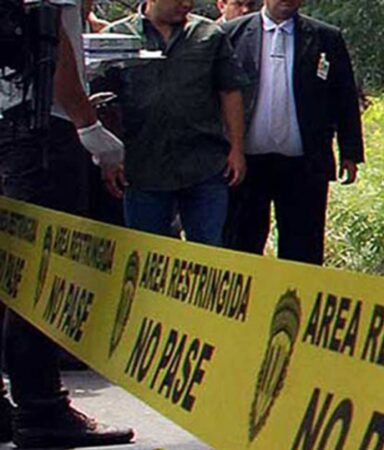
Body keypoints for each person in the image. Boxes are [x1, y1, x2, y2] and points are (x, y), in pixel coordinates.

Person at [0, 0, 134, 448]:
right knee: (41, 270)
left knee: (9, 269)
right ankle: (41, 406)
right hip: (39, 131)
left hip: (8, 120)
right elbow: (50, 43)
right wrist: (90, 127)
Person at [222, 0, 364, 265]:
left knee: (303, 251)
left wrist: (350, 151)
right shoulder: (232, 34)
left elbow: (344, 95)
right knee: (240, 247)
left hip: (304, 163)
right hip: (245, 165)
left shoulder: (325, 37)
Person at [101, 0, 247, 246]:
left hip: (204, 165)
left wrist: (237, 149)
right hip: (142, 168)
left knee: (208, 251)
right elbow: (103, 103)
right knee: (146, 251)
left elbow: (230, 91)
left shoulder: (210, 35)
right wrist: (109, 157)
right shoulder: (116, 37)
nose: (187, 4)